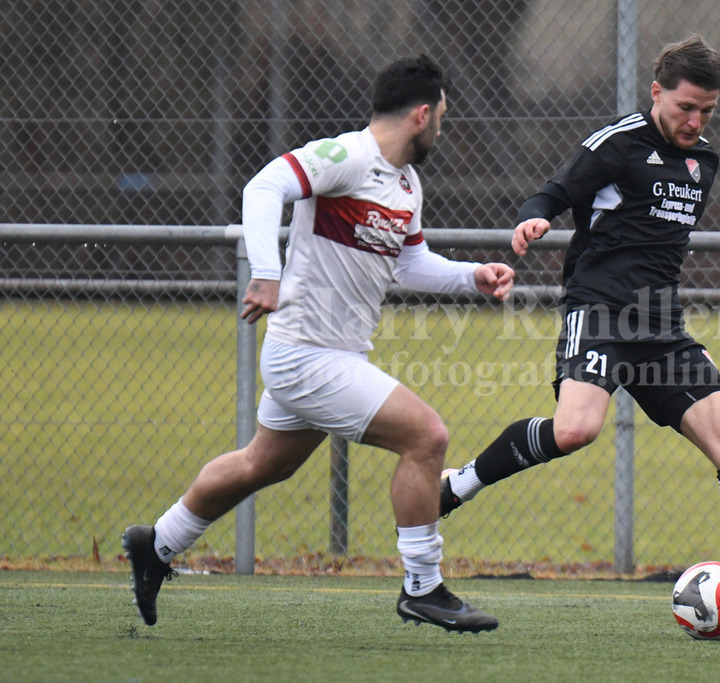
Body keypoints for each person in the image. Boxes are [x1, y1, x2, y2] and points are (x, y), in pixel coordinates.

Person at [438, 36, 720, 639]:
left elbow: (663, 252)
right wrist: (535, 218)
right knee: (575, 430)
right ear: (657, 91)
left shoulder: (705, 163)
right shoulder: (618, 143)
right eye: (686, 107)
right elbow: (556, 191)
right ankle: (460, 483)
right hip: (600, 309)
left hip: (662, 327)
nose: (695, 121)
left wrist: (686, 342)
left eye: (707, 111)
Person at [122, 54, 513, 633]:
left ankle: (157, 544)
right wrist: (267, 271)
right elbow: (265, 185)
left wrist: (470, 276)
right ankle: (423, 587)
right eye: (441, 118)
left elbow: (409, 263)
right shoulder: (347, 155)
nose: (441, 130)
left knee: (261, 464)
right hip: (306, 355)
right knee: (427, 437)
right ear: (422, 114)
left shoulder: (407, 184)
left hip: (332, 356)